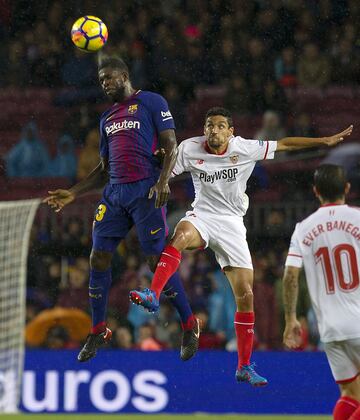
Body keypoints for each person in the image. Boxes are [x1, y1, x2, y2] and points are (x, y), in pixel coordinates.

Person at [129, 107, 353, 386]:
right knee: (181, 235)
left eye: (221, 125)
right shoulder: (189, 148)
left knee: (246, 293)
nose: (214, 130)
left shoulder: (244, 148)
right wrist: (154, 169)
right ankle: (153, 293)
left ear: (230, 131)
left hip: (233, 224)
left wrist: (323, 141)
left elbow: (284, 144)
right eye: (209, 125)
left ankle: (244, 366)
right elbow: (164, 171)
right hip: (204, 216)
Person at [43, 55, 199, 363]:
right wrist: (73, 193)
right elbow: (104, 168)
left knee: (157, 260)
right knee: (98, 256)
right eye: (101, 80)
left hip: (146, 189)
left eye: (109, 78)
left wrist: (163, 181)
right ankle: (99, 329)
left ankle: (190, 324)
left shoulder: (151, 102)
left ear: (125, 75)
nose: (105, 84)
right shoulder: (106, 119)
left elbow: (171, 144)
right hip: (114, 193)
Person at [282, 164, 360, 420]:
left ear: (316, 191)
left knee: (350, 394)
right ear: (347, 188)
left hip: (330, 328)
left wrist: (291, 318)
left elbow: (290, 275)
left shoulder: (303, 228)